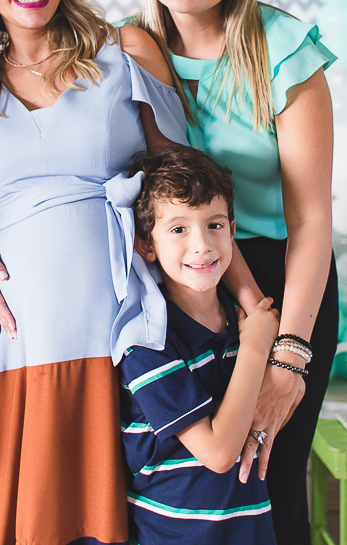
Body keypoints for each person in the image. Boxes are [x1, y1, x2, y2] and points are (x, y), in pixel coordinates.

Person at [0, 0, 188, 545]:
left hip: (114, 320)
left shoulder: (124, 50)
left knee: (115, 509)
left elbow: (182, 179)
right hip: (13, 330)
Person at [134, 0, 339, 544]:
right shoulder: (131, 51)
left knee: (266, 481)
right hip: (182, 284)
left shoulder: (283, 49)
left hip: (283, 278)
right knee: (180, 486)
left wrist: (287, 353)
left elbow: (312, 219)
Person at [121, 145, 280, 545]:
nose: (202, 245)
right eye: (178, 229)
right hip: (175, 535)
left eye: (214, 225)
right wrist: (257, 347)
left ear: (233, 227)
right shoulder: (147, 345)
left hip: (247, 529)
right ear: (147, 245)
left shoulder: (238, 320)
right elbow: (219, 453)